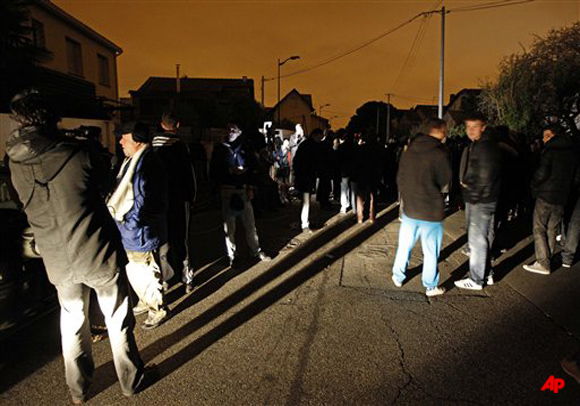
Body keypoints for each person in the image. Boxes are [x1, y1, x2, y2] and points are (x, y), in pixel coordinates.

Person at [6, 90, 148, 403]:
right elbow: (105, 183)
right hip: (95, 249)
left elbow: (20, 202)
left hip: (55, 255)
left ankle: (79, 390)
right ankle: (130, 380)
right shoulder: (76, 152)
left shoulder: (13, 161)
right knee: (116, 315)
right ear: (51, 118)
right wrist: (90, 146)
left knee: (71, 320)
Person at [108, 122, 170, 330]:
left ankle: (157, 308)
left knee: (144, 270)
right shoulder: (134, 160)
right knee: (136, 270)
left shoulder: (148, 163)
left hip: (139, 229)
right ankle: (146, 300)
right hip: (131, 228)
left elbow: (149, 201)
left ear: (137, 140)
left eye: (123, 137)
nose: (120, 141)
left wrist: (133, 222)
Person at [391, 119, 451, 297]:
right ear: (439, 132)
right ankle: (430, 285)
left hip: (410, 209)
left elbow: (399, 178)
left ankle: (398, 276)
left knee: (404, 246)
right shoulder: (439, 153)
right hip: (431, 211)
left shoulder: (409, 150)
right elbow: (445, 179)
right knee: (431, 251)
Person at [210, 123, 271, 268]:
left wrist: (250, 186)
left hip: (243, 190)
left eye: (234, 130)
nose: (230, 132)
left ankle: (255, 250)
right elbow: (214, 171)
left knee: (250, 225)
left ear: (239, 132)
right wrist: (229, 172)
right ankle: (232, 256)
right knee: (229, 228)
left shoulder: (245, 147)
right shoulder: (219, 149)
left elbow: (252, 168)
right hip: (227, 190)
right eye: (228, 129)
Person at [523, 125, 578, 274]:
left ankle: (543, 262)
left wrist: (533, 185)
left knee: (539, 227)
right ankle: (547, 260)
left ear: (553, 136)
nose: (543, 138)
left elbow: (542, 173)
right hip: (562, 197)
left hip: (546, 195)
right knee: (552, 229)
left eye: (546, 135)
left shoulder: (551, 150)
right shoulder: (572, 152)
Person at [455, 113, 501, 290]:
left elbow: (485, 176)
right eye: (468, 127)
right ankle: (486, 274)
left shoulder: (485, 147)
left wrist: (472, 194)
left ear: (484, 127)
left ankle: (476, 279)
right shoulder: (481, 144)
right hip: (483, 197)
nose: (470, 131)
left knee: (477, 239)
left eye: (475, 126)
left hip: (481, 199)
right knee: (480, 237)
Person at [151, 112, 197, 292]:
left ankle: (165, 278)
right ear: (177, 124)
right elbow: (189, 175)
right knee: (181, 239)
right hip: (178, 200)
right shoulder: (180, 147)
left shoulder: (151, 148)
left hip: (157, 202)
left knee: (162, 242)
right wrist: (191, 198)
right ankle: (187, 277)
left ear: (161, 125)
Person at [293, 128, 324, 231]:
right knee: (306, 200)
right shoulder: (311, 146)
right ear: (315, 135)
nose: (321, 139)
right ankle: (305, 223)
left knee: (305, 200)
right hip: (306, 176)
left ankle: (304, 221)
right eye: (320, 137)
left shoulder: (305, 145)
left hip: (303, 176)